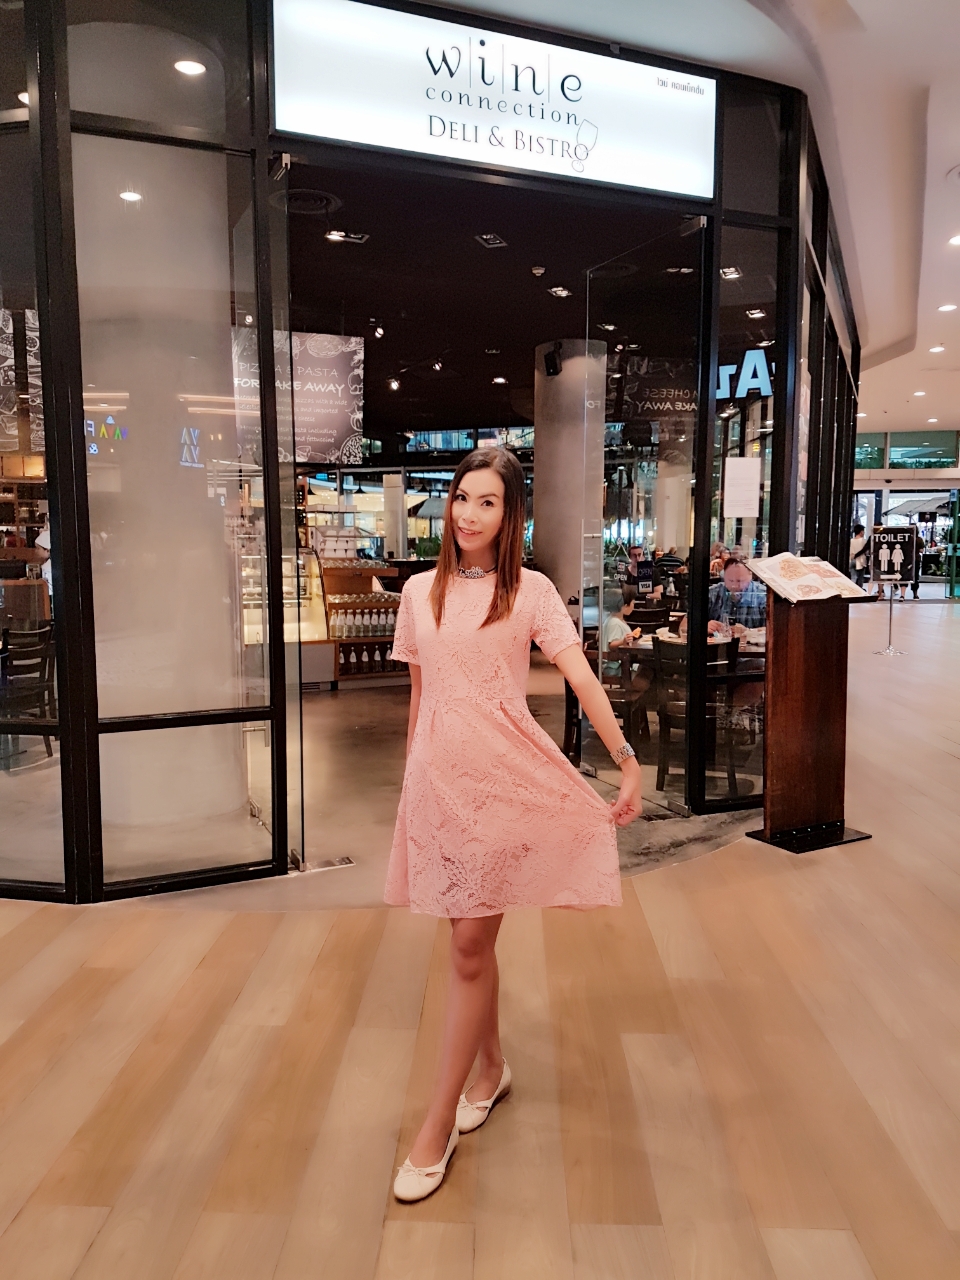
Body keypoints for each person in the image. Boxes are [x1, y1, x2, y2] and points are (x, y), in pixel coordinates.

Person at [385, 448, 642, 1203]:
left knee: (469, 945)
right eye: (462, 497)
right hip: (438, 785)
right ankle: (491, 1069)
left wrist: (625, 757)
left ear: (511, 514)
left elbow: (579, 673)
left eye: (488, 502)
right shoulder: (417, 592)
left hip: (502, 783)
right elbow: (421, 696)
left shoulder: (530, 591)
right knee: (469, 945)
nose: (468, 514)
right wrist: (411, 782)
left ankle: (435, 1124)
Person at [707, 555, 766, 633]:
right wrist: (704, 626)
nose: (734, 585)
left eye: (739, 581)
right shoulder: (712, 593)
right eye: (730, 580)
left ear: (750, 576)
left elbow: (774, 629)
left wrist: (748, 632)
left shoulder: (763, 595)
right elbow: (690, 622)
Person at [849, 524, 868, 588]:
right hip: (861, 561)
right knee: (860, 578)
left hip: (852, 560)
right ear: (861, 532)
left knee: (853, 577)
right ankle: (859, 591)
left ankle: (852, 589)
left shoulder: (851, 541)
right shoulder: (864, 541)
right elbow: (866, 552)